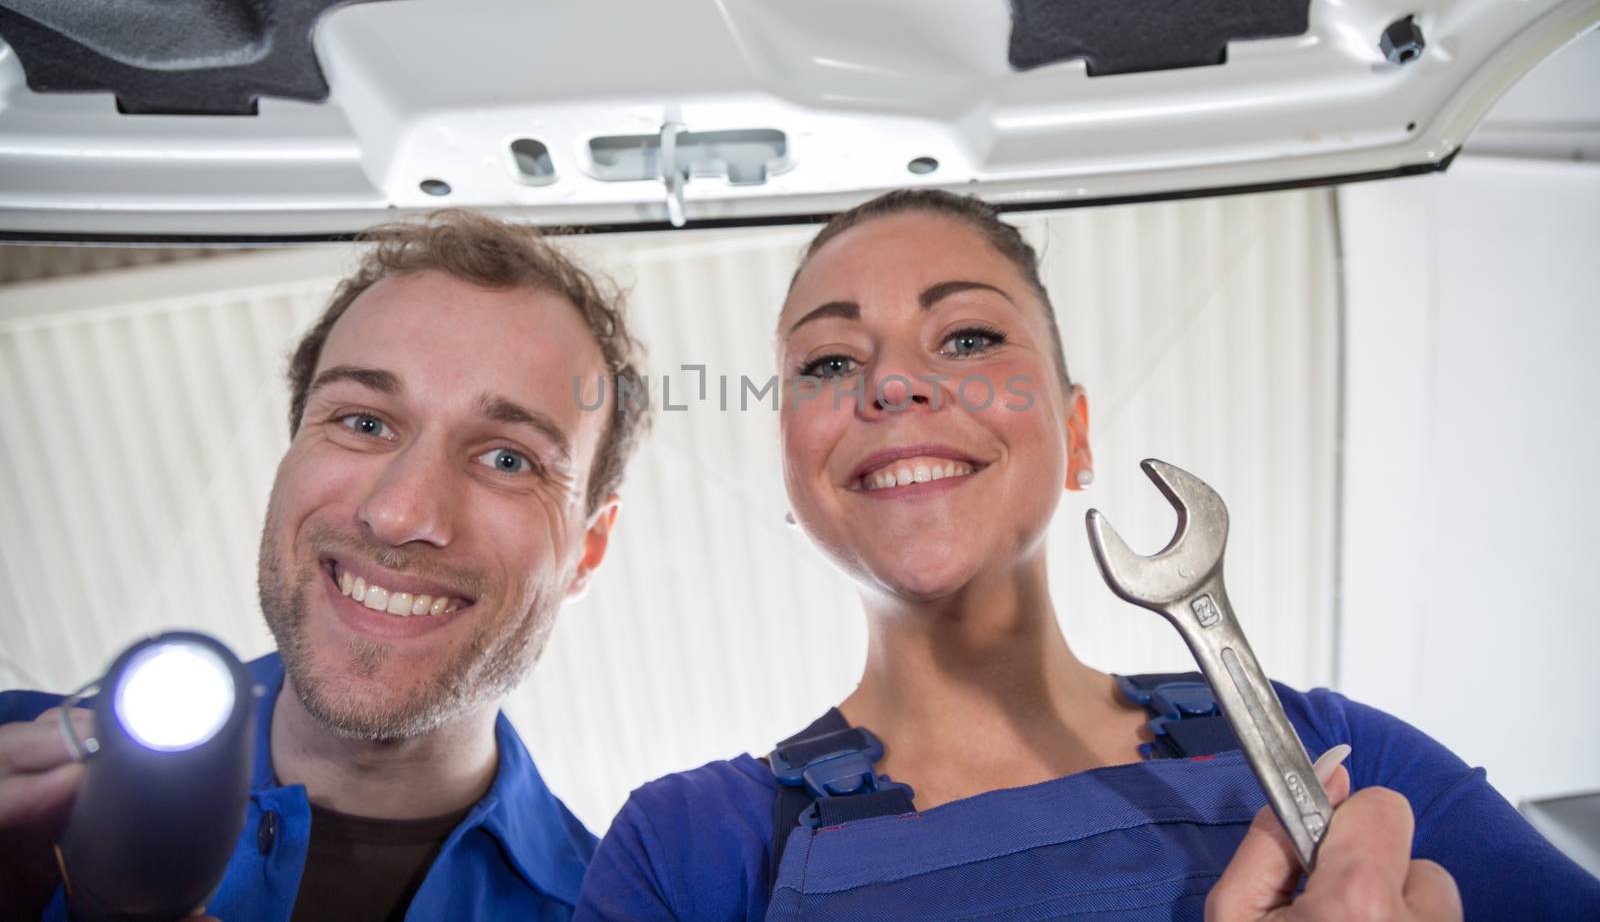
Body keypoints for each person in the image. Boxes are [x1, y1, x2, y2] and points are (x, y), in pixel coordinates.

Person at [574, 189, 1600, 921]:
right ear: (792, 473)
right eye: (830, 361)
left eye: (967, 337)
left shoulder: (1334, 752)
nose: (891, 384)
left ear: (1078, 432)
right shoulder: (687, 849)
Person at [0, 210, 650, 921]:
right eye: (365, 422)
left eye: (507, 458)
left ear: (587, 550)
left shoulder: (613, 909)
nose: (401, 513)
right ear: (291, 453)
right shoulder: (12, 768)